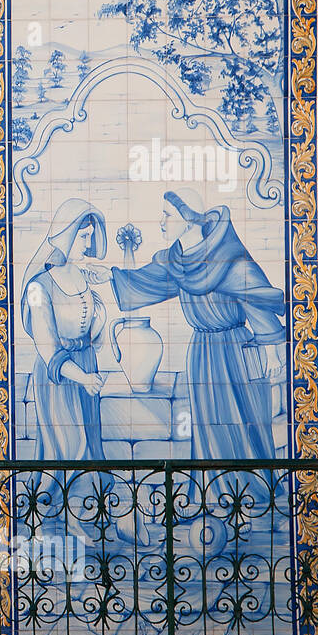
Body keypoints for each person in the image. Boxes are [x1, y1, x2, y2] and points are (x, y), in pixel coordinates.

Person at [87, 189, 284, 465]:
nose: (162, 221)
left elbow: (256, 299)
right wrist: (110, 275)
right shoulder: (176, 262)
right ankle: (215, 488)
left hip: (235, 351)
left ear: (188, 219)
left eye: (168, 215)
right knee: (209, 423)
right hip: (202, 354)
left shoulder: (228, 258)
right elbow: (146, 281)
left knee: (243, 421)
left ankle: (251, 491)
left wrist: (272, 352)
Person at [21, 198, 110, 471]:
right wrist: (82, 378)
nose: (87, 244)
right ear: (65, 236)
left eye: (90, 237)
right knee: (69, 447)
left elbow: (94, 334)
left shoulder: (83, 275)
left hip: (87, 368)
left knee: (92, 447)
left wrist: (101, 312)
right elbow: (47, 347)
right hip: (59, 378)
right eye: (83, 237)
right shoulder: (39, 287)